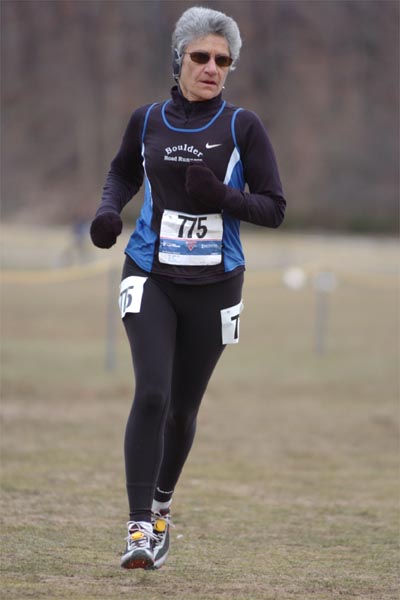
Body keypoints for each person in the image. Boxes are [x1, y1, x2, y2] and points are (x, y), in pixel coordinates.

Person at [90, 6, 286, 571]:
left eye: (223, 60)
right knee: (151, 392)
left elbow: (274, 208)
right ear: (178, 60)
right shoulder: (147, 119)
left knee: (181, 410)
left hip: (217, 284)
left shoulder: (242, 127)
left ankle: (161, 510)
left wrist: (222, 197)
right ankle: (136, 531)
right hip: (150, 271)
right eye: (201, 57)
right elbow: (123, 171)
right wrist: (108, 211)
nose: (211, 68)